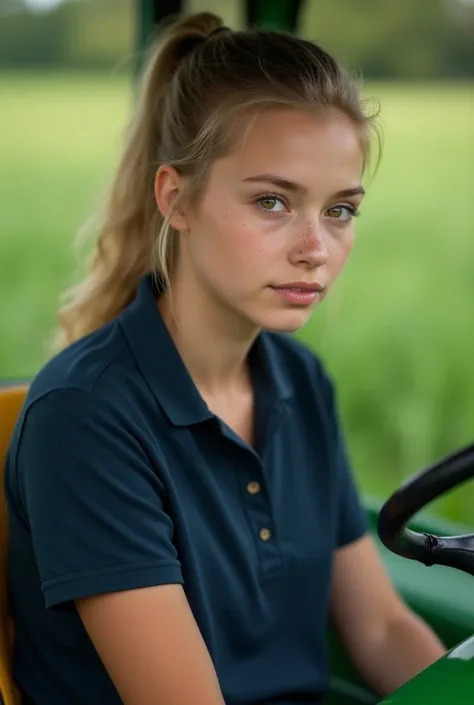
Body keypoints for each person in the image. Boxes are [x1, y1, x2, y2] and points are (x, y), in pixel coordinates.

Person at [5, 11, 445, 705]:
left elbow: (384, 627)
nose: (316, 248)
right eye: (273, 201)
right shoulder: (86, 416)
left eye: (341, 211)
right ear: (177, 199)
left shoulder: (302, 381)